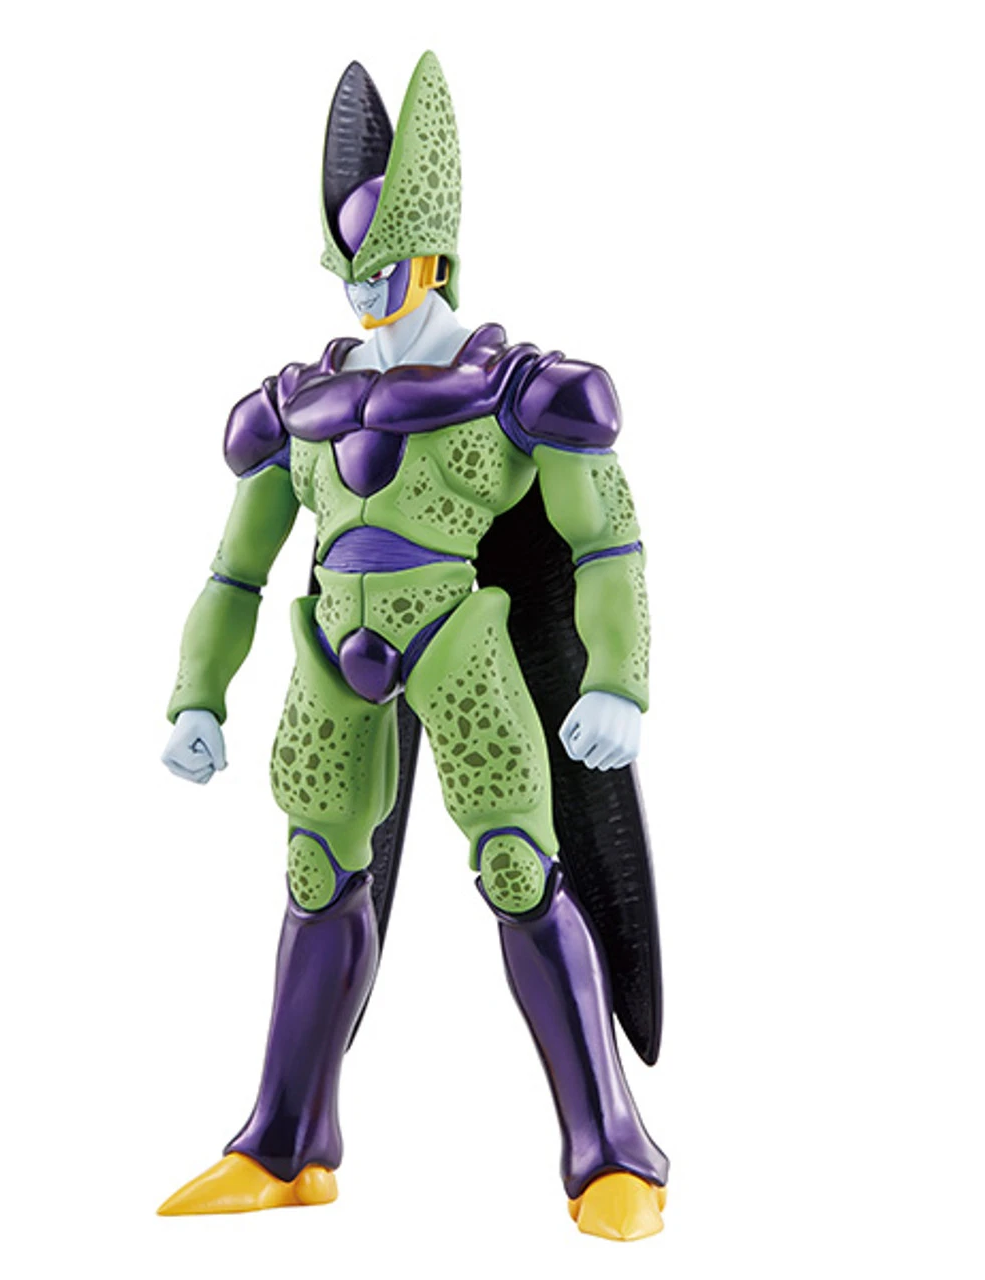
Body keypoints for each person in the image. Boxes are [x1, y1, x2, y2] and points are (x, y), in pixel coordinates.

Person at [157, 52, 669, 1241]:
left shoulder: (518, 390)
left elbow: (606, 541)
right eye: (345, 271)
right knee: (313, 875)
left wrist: (616, 681)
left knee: (517, 868)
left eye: (379, 269)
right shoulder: (298, 403)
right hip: (329, 655)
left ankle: (608, 1149)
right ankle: (285, 1141)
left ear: (433, 256)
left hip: (459, 641)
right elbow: (235, 567)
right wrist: (197, 694)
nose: (360, 293)